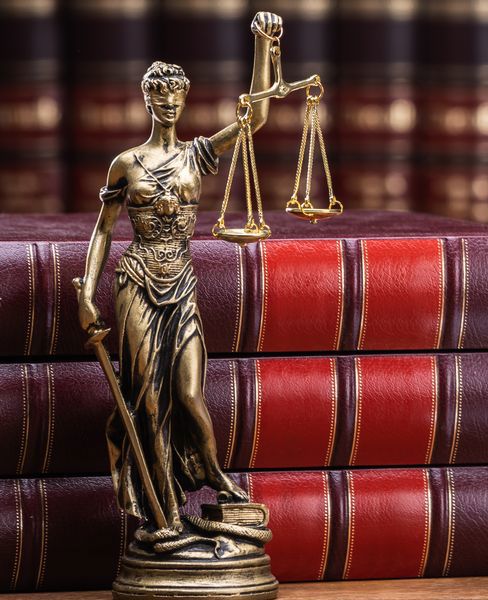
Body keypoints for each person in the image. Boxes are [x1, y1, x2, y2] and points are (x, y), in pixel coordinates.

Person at [75, 12, 283, 533]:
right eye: (159, 96)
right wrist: (86, 294)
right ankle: (164, 510)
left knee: (189, 395)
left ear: (185, 100)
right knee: (147, 399)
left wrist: (263, 44)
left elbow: (255, 119)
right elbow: (103, 230)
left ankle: (214, 474)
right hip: (138, 282)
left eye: (175, 96)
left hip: (181, 283)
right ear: (147, 101)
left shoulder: (197, 155)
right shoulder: (126, 164)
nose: (168, 103)